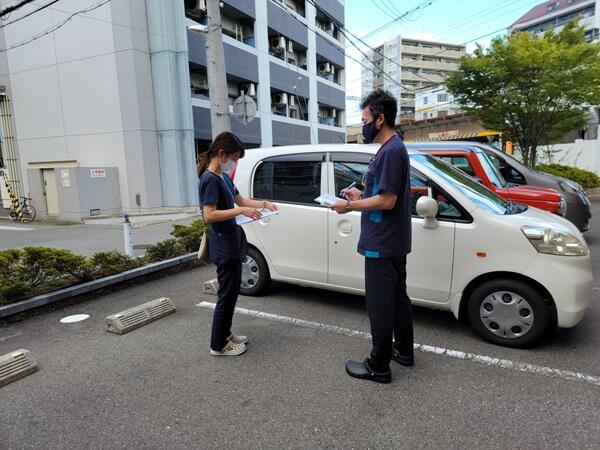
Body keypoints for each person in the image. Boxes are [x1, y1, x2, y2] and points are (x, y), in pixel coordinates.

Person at [331, 89, 414, 383]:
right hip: (393, 239)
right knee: (398, 297)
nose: (363, 124)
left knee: (380, 304)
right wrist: (361, 193)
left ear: (379, 119)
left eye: (365, 118)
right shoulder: (392, 148)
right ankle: (403, 350)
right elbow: (380, 193)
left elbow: (387, 201)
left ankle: (378, 366)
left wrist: (349, 205)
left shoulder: (391, 151)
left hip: (382, 242)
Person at [198, 132, 278, 356]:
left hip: (231, 242)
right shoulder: (210, 179)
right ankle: (218, 345)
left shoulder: (222, 177)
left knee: (231, 293)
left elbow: (241, 200)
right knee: (226, 295)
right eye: (234, 158)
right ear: (222, 154)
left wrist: (264, 204)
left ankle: (225, 334)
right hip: (223, 245)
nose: (235, 162)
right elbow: (209, 215)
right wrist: (241, 211)